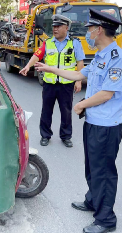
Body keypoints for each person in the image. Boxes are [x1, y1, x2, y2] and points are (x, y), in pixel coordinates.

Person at [35, 9, 122, 233]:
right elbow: (79, 75)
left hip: (107, 126)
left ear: (99, 30)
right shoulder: (100, 55)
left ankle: (106, 220)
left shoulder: (118, 57)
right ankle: (92, 200)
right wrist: (49, 68)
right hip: (94, 123)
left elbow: (107, 94)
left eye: (89, 28)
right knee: (92, 167)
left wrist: (80, 105)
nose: (87, 32)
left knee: (104, 172)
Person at [20, 14, 85, 148]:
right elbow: (36, 56)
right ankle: (45, 135)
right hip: (49, 84)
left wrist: (79, 81)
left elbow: (80, 62)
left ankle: (66, 136)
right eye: (54, 26)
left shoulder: (74, 43)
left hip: (66, 84)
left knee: (66, 111)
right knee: (46, 111)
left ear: (66, 28)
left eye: (58, 26)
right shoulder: (47, 43)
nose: (55, 29)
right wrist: (27, 66)